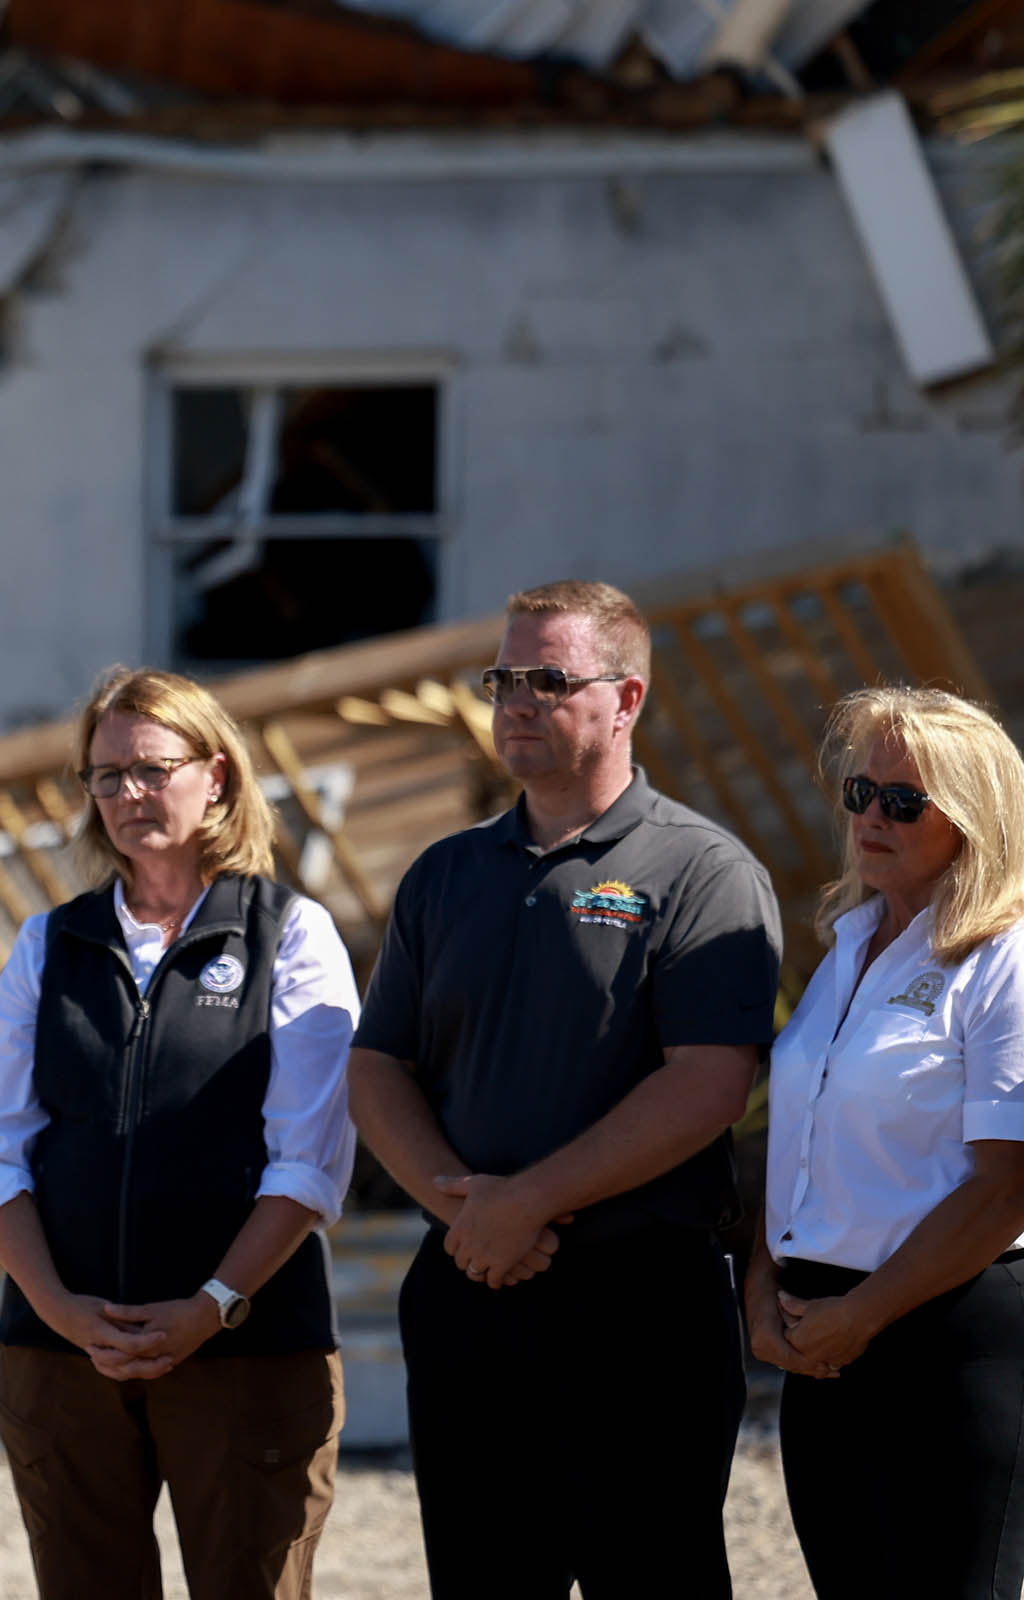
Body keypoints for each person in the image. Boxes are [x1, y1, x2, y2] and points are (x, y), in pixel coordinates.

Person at [346, 580, 781, 1599]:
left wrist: (525, 1203)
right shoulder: (445, 874)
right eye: (505, 678)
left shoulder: (701, 869)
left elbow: (710, 1084)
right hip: (468, 1286)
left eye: (550, 678)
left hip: (637, 1302)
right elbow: (376, 1066)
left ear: (626, 699)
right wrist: (462, 1205)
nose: (518, 701)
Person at [0, 666, 358, 1600]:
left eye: (150, 768)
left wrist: (210, 1304)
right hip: (63, 1355)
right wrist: (58, 1307)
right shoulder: (48, 943)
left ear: (215, 774)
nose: (127, 795)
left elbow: (309, 1162)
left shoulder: (290, 935)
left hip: (249, 1349)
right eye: (105, 777)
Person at [751, 687, 1024, 1599]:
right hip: (820, 1334)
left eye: (903, 802)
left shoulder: (1005, 961)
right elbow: (798, 1143)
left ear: (973, 819)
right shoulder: (848, 945)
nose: (871, 815)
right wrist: (762, 1282)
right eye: (859, 792)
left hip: (945, 1333)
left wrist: (862, 1317)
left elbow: (1005, 1189)